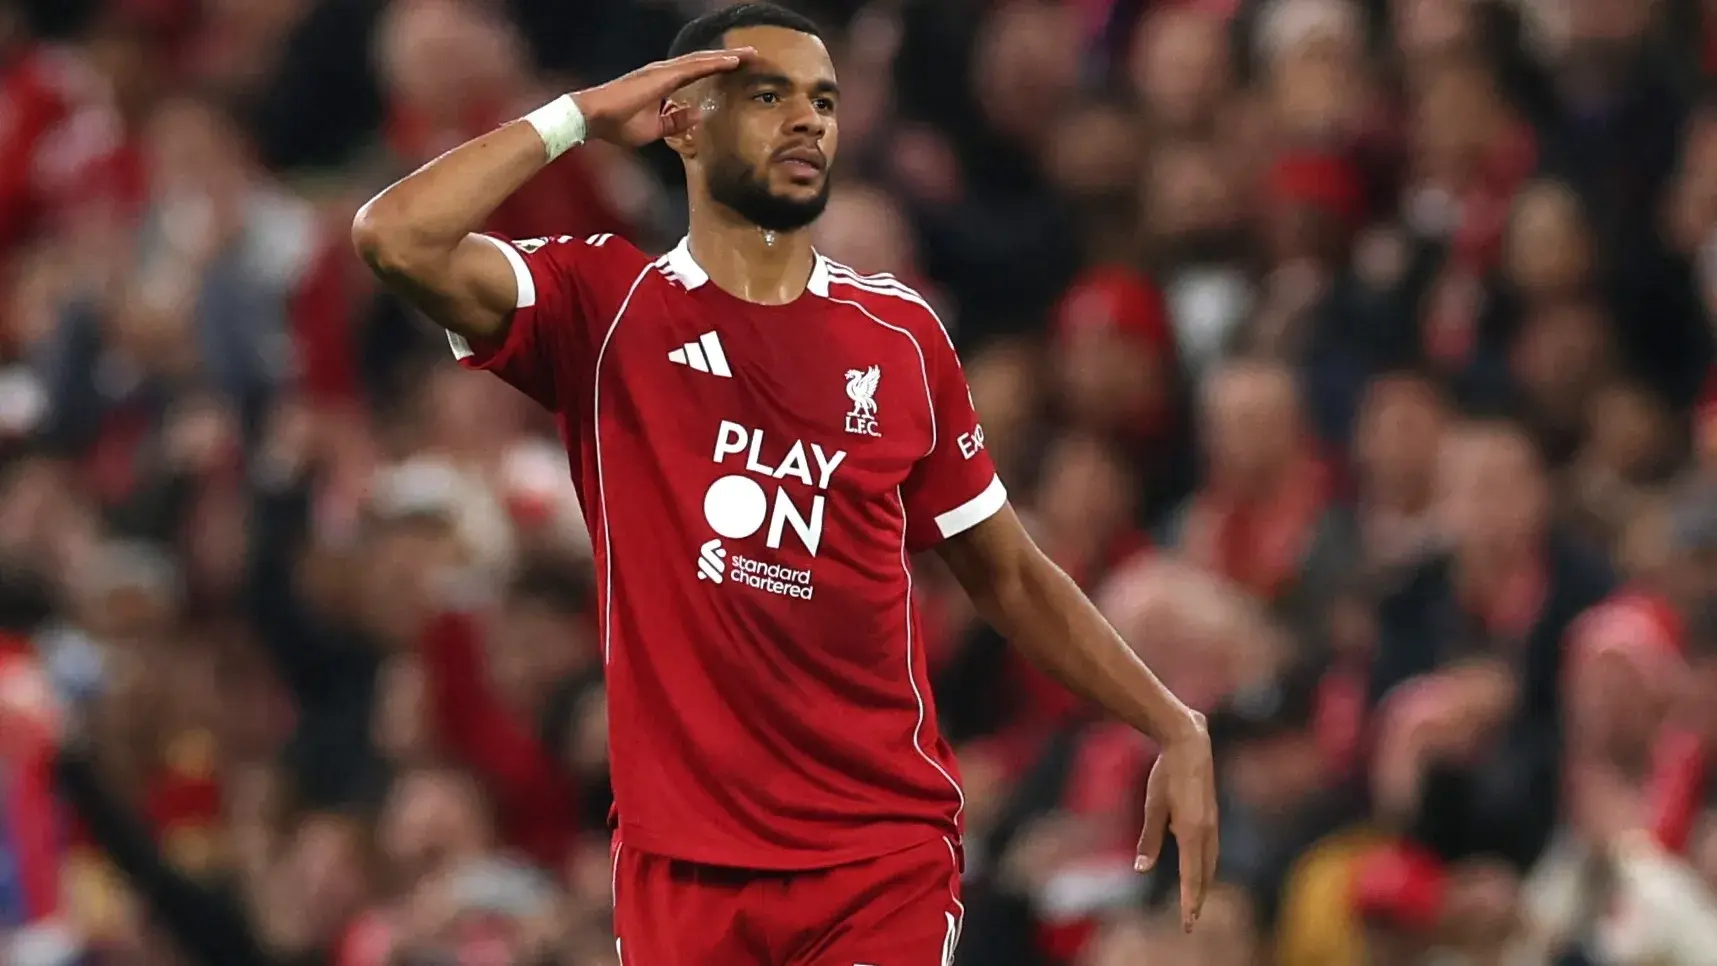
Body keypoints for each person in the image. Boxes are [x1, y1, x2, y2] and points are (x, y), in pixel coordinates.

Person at [350, 3, 1216, 962]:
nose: (807, 121)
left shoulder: (899, 339)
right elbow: (395, 237)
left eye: (823, 101)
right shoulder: (606, 308)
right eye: (768, 97)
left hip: (875, 858)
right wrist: (579, 117)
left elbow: (1006, 572)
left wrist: (1168, 721)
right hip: (680, 871)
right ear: (681, 121)